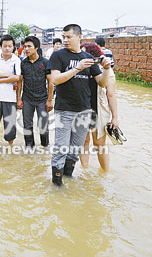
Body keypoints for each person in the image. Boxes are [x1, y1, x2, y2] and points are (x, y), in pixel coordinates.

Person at [48, 24, 111, 186]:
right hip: (64, 109)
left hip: (84, 111)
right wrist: (77, 68)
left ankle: (68, 178)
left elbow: (102, 83)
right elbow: (55, 79)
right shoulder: (58, 56)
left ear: (79, 37)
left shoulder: (88, 58)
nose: (65, 40)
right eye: (64, 37)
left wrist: (106, 69)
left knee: (75, 148)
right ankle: (57, 184)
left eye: (69, 37)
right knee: (61, 147)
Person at [79, 42, 118, 171]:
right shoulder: (80, 68)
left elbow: (111, 95)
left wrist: (115, 117)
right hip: (82, 109)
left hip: (99, 111)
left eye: (85, 52)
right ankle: (85, 170)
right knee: (83, 142)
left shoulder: (107, 71)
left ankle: (105, 172)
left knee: (99, 144)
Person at [17, 36, 54, 147]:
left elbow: (51, 82)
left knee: (43, 126)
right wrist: (18, 99)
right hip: (27, 99)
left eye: (29, 46)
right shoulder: (23, 63)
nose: (26, 49)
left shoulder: (45, 62)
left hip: (42, 99)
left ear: (36, 47)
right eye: (25, 46)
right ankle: (29, 150)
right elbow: (20, 82)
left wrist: (50, 100)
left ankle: (45, 147)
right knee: (27, 126)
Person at [0, 35, 21, 146]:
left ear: (13, 47)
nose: (7, 48)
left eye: (10, 46)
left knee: (10, 124)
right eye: (5, 46)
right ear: (0, 46)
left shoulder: (16, 60)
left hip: (10, 97)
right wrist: (6, 75)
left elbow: (17, 77)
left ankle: (10, 147)